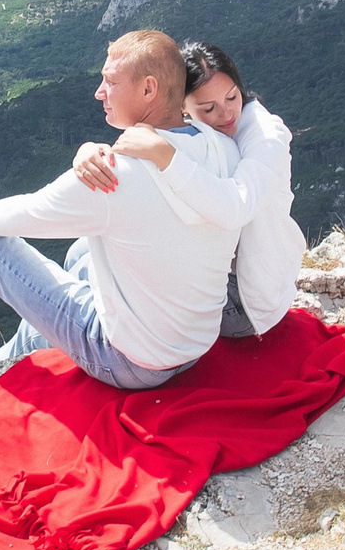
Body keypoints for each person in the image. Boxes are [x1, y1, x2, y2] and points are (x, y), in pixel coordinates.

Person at [0, 30, 247, 391]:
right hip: (192, 346)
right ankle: (0, 364)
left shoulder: (113, 178)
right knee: (81, 255)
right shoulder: (219, 146)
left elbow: (27, 213)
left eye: (110, 82)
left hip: (132, 363)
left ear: (148, 89)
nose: (98, 92)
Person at [70, 39, 302, 339]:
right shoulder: (199, 134)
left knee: (100, 268)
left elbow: (236, 208)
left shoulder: (265, 137)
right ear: (181, 107)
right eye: (208, 108)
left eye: (233, 97)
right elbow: (132, 141)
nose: (227, 114)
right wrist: (88, 151)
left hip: (245, 302)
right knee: (83, 250)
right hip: (218, 271)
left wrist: (167, 157)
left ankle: (71, 345)